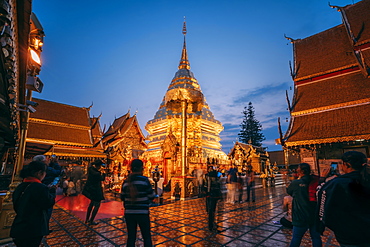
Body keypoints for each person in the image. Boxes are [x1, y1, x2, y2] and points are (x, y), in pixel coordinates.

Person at [317, 151, 370, 247]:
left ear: (345, 164)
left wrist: (322, 178)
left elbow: (324, 203)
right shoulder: (364, 179)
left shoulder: (336, 184)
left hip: (349, 235)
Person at [10, 161, 56, 247]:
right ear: (39, 173)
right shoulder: (40, 187)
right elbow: (47, 203)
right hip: (33, 229)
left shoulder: (21, 186)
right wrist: (52, 192)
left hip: (19, 226)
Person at [121, 159, 156, 247]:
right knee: (146, 236)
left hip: (129, 213)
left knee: (131, 237)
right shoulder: (144, 180)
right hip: (142, 212)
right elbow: (151, 196)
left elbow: (122, 197)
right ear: (142, 168)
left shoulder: (126, 181)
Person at [287, 163, 322, 247]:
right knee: (316, 237)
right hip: (314, 213)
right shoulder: (315, 181)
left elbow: (289, 191)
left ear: (301, 171)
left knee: (296, 237)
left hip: (300, 214)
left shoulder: (296, 183)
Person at [82, 159, 106, 225]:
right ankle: (91, 220)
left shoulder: (90, 170)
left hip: (91, 190)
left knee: (91, 204)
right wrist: (104, 173)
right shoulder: (97, 173)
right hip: (96, 190)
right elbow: (102, 179)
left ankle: (87, 219)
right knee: (97, 205)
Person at [204, 166, 222, 232]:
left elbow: (207, 186)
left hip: (210, 194)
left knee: (211, 211)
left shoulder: (208, 175)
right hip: (214, 194)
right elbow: (221, 174)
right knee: (213, 211)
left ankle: (211, 225)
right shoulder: (215, 175)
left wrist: (208, 193)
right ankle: (212, 225)